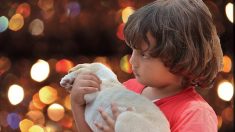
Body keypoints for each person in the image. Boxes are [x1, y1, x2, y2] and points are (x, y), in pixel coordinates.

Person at [69, 0, 223, 131]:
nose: (132, 61)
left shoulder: (195, 113)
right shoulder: (128, 88)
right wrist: (77, 103)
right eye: (133, 51)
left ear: (180, 55)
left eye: (144, 54)